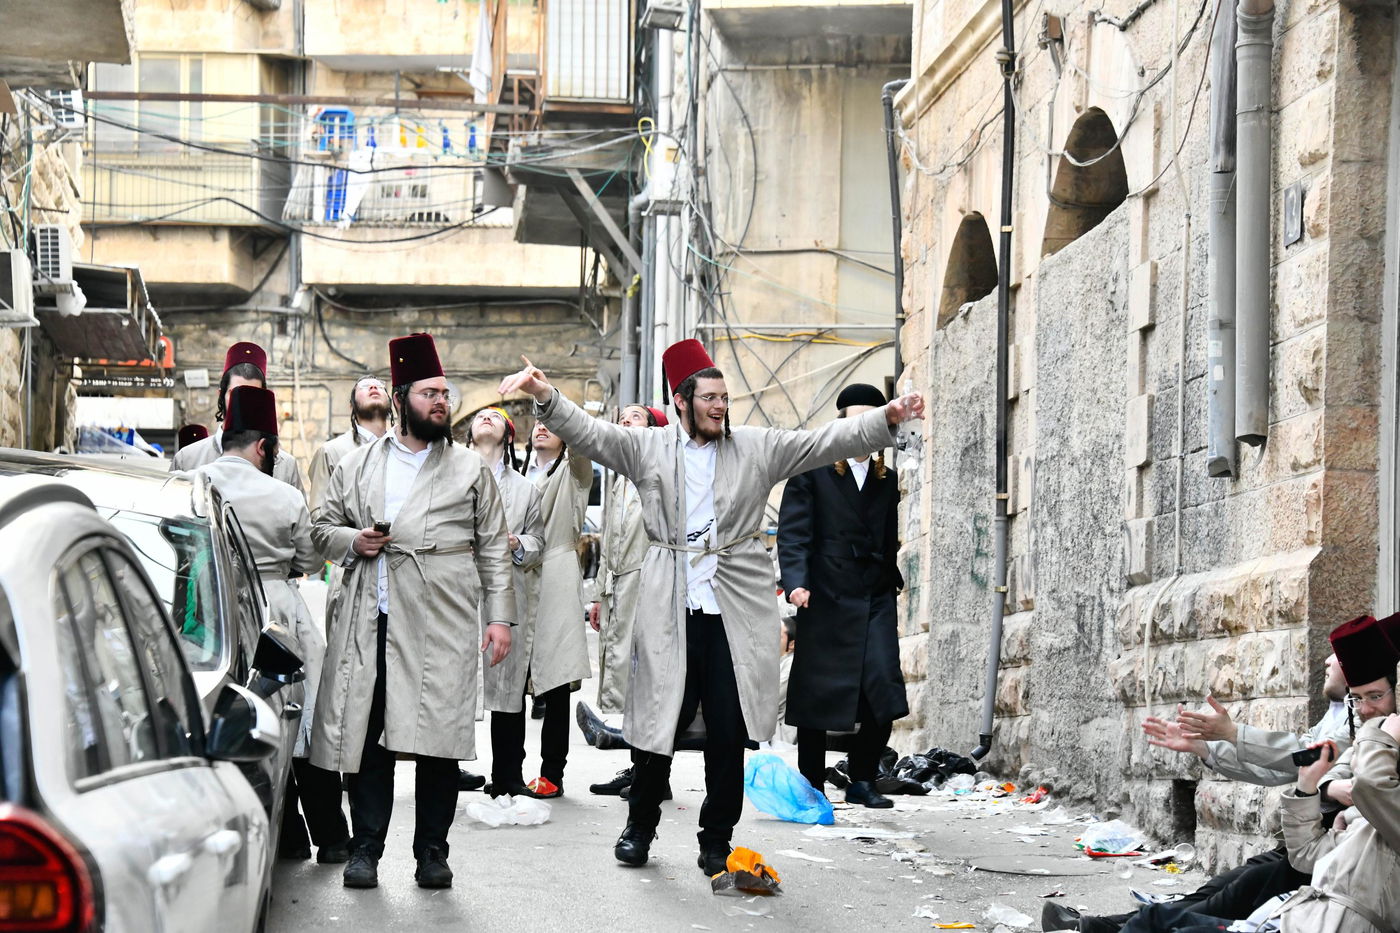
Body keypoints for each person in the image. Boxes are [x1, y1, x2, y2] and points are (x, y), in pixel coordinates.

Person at [497, 339, 925, 874]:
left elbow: (821, 441)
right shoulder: (648, 448)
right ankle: (640, 826)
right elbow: (592, 433)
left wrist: (885, 418)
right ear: (681, 401)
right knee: (658, 726)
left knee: (728, 730)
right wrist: (544, 394)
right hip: (668, 608)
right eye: (710, 398)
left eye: (725, 397)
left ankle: (715, 839)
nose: (721, 407)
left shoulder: (754, 447)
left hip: (733, 611)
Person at [311, 332, 516, 891]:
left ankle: (432, 852)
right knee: (370, 737)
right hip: (373, 618)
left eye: (445, 394)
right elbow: (317, 530)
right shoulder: (355, 464)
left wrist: (500, 619)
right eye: (430, 393)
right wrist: (354, 540)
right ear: (401, 398)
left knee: (438, 741)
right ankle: (366, 851)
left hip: (443, 618)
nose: (442, 403)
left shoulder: (470, 469)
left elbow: (495, 548)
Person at [1047, 615, 1399, 933]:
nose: (1365, 706)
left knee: (1225, 900)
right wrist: (1325, 784)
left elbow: (1317, 765)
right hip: (1325, 849)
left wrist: (1232, 736)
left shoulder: (1381, 732)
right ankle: (1099, 928)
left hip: (1345, 876)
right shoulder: (1359, 721)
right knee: (1216, 891)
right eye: (1358, 697)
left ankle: (1097, 929)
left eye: (1374, 695)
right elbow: (1314, 761)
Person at [193, 386, 350, 865]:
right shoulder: (283, 494)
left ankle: (278, 837)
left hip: (211, 607)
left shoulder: (192, 481)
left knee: (229, 723)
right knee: (300, 721)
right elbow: (308, 557)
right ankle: (331, 838)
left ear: (225, 436)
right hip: (277, 606)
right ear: (264, 447)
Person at [778, 383, 907, 809]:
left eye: (874, 419)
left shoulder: (886, 479)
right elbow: (794, 534)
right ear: (842, 424)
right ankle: (812, 784)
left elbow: (889, 539)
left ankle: (861, 777)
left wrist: (891, 580)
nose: (864, 428)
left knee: (884, 688)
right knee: (820, 692)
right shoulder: (811, 469)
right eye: (857, 419)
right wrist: (796, 582)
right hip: (824, 594)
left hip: (874, 595)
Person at [486, 418, 592, 798]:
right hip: (517, 579)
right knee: (510, 677)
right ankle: (506, 771)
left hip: (555, 576)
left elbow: (582, 446)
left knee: (556, 680)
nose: (543, 428)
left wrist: (557, 408)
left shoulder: (574, 472)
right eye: (538, 424)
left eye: (553, 424)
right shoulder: (515, 475)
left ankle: (552, 772)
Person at [588, 404, 668, 798]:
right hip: (619, 586)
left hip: (648, 581)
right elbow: (607, 540)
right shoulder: (618, 479)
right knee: (627, 680)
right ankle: (639, 767)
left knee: (648, 679)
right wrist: (601, 595)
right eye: (621, 418)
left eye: (635, 417)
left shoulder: (658, 471)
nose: (625, 422)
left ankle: (653, 775)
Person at [470, 406, 545, 797]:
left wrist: (518, 543)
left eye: (495, 416)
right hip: (459, 593)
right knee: (453, 684)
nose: (486, 418)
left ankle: (508, 775)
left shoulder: (525, 490)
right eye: (479, 415)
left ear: (508, 435)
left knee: (507, 687)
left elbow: (539, 542)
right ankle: (446, 769)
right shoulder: (450, 476)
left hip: (507, 592)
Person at [171, 341, 306, 493]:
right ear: (221, 395)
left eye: (252, 395)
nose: (243, 403)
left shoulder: (285, 466)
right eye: (235, 394)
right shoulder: (188, 459)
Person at [307, 375, 392, 513]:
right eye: (364, 386)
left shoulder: (402, 449)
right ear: (351, 405)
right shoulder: (331, 452)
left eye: (380, 386)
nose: (373, 387)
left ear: (390, 401)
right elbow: (318, 514)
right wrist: (353, 535)